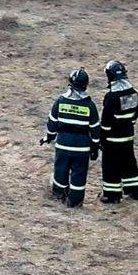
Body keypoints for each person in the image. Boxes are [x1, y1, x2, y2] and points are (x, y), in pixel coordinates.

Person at [43, 67, 101, 208]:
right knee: (79, 175)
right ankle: (75, 202)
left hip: (63, 144)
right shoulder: (90, 105)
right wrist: (94, 148)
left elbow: (52, 123)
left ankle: (59, 195)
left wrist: (49, 137)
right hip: (82, 147)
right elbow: (95, 129)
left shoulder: (60, 101)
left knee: (60, 170)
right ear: (85, 84)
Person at [99, 60, 138, 203]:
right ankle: (133, 190)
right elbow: (135, 114)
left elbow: (106, 122)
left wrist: (101, 138)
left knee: (111, 166)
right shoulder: (134, 94)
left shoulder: (111, 97)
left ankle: (112, 195)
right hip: (128, 137)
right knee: (129, 162)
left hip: (113, 139)